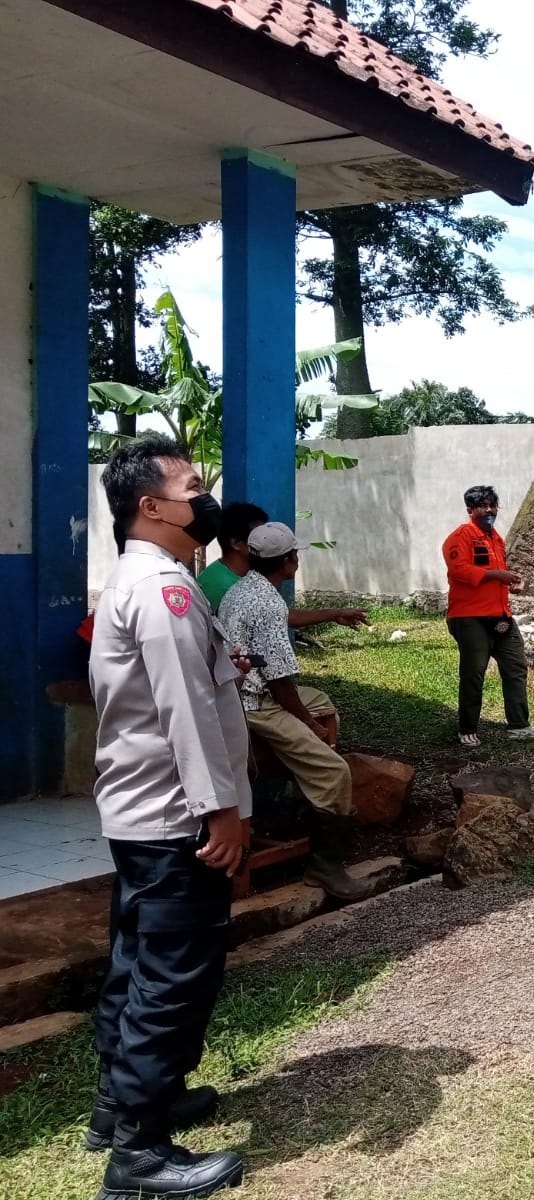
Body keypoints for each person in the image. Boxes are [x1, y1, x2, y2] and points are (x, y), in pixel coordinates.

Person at [86, 434, 249, 1198]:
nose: (203, 499)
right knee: (173, 977)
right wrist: (221, 811)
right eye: (191, 487)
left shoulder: (138, 580)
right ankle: (140, 1155)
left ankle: (119, 1104)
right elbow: (186, 711)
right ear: (150, 507)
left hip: (140, 812)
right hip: (177, 818)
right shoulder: (166, 590)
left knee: (136, 964)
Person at [219, 523, 370, 902]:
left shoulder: (243, 589)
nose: (297, 560)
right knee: (335, 772)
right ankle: (326, 866)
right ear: (288, 561)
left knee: (323, 701)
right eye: (295, 555)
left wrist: (334, 614)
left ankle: (310, 787)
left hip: (235, 692)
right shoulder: (266, 601)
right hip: (258, 704)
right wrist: (308, 726)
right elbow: (280, 681)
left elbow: (283, 618)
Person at [442, 484, 534, 747]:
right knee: (474, 673)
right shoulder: (460, 537)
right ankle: (467, 728)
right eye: (483, 506)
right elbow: (460, 571)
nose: (489, 510)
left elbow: (495, 574)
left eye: (493, 505)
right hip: (469, 617)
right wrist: (498, 576)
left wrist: (510, 582)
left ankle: (519, 726)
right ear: (470, 510)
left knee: (516, 666)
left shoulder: (496, 539)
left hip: (500, 615)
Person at [199, 501, 369, 631]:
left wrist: (335, 614)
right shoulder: (228, 587)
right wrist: (335, 614)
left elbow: (280, 614)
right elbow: (281, 617)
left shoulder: (229, 575)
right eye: (258, 535)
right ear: (236, 543)